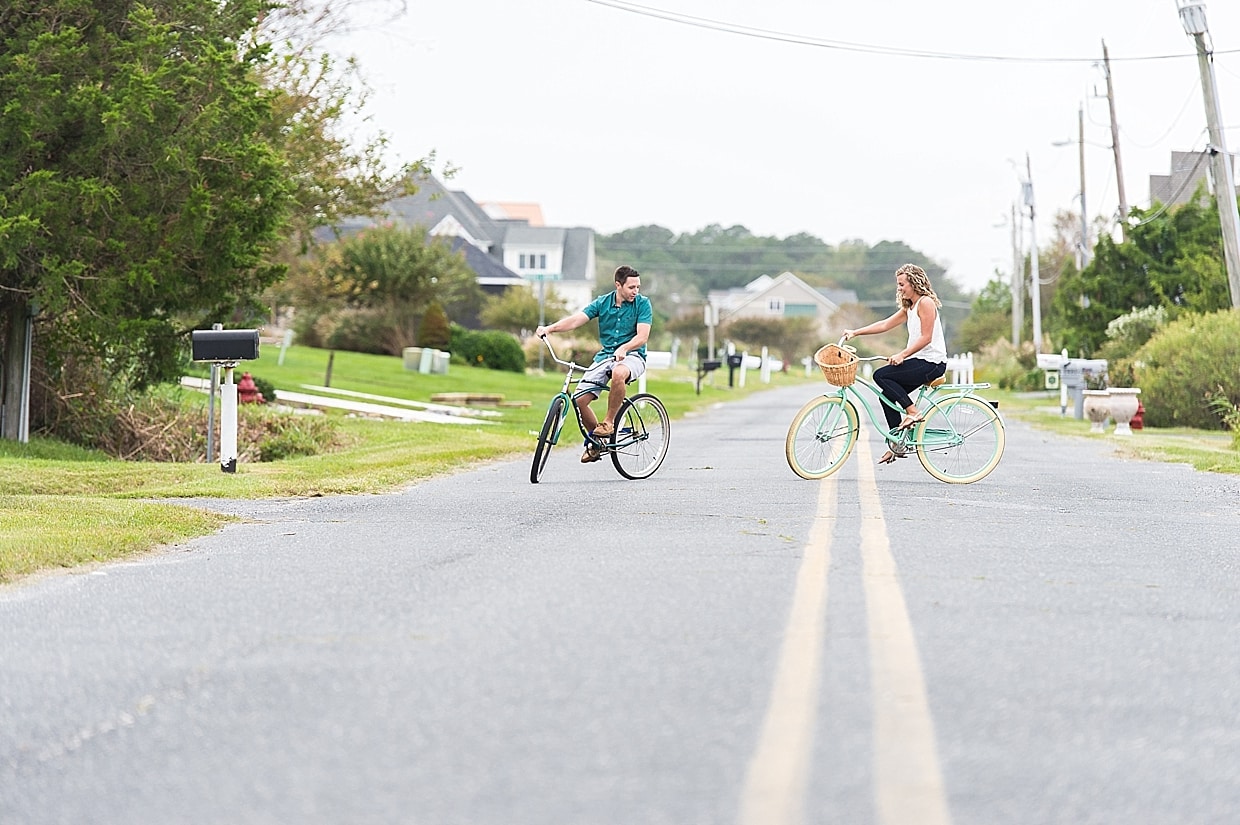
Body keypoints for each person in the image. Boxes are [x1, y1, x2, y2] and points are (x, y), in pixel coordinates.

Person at [535, 265, 653, 463]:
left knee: (618, 373)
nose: (636, 291)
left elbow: (642, 336)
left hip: (632, 356)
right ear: (618, 285)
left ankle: (608, 423)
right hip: (604, 357)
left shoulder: (642, 304)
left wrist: (624, 348)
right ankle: (597, 443)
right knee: (579, 399)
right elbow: (576, 320)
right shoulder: (602, 302)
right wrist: (550, 329)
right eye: (632, 287)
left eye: (638, 287)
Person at [843, 263, 948, 465]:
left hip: (932, 363)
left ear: (914, 283)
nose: (899, 288)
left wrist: (902, 354)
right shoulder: (910, 307)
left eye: (902, 284)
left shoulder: (926, 303)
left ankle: (913, 412)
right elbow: (884, 324)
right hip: (919, 360)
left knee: (881, 375)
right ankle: (897, 443)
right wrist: (855, 332)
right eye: (898, 284)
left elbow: (926, 338)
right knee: (887, 397)